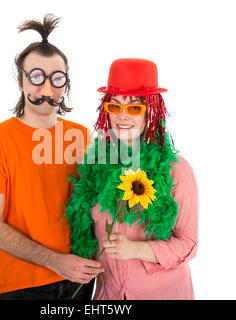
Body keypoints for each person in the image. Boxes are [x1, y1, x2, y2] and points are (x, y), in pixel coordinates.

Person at [0, 14, 103, 300]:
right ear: (21, 81)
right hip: (24, 286)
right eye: (37, 77)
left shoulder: (82, 137)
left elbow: (100, 203)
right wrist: (56, 261)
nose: (47, 90)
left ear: (66, 84)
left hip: (81, 281)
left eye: (57, 79)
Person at [65, 58, 199, 300]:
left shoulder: (176, 170)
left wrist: (137, 249)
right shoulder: (95, 167)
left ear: (152, 112)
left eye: (134, 108)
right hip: (109, 296)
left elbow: (189, 244)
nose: (122, 116)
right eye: (115, 106)